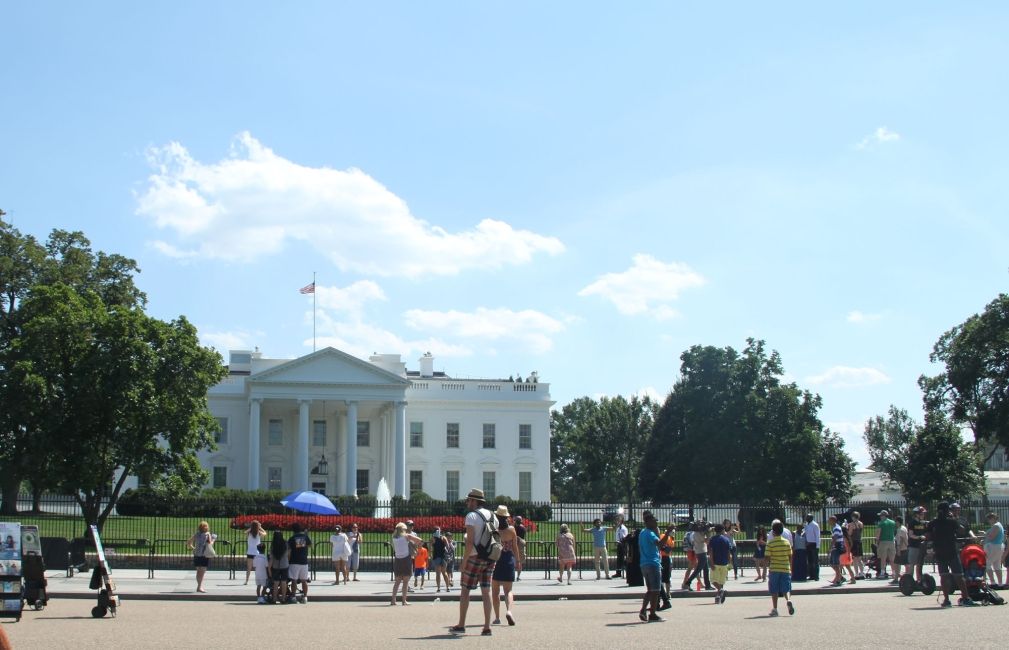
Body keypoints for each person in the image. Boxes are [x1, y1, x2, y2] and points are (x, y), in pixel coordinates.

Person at [451, 488, 497, 636]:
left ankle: (461, 624)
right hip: (489, 557)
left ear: (475, 501)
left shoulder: (471, 516)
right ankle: (487, 626)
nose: (467, 502)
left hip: (475, 557)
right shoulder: (493, 515)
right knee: (486, 590)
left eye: (469, 500)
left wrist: (464, 562)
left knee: (465, 590)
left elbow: (470, 542)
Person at [927, 501, 978, 607]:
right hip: (952, 551)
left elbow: (928, 536)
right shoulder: (951, 521)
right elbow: (962, 530)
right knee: (959, 576)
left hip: (940, 551)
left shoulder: (933, 523)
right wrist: (954, 519)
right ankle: (965, 598)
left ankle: (946, 600)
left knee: (944, 576)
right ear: (948, 511)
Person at [637, 512, 672, 622]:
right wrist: (668, 532)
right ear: (648, 522)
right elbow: (659, 544)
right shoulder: (650, 533)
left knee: (650, 590)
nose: (656, 523)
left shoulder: (642, 533)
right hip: (653, 563)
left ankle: (643, 610)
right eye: (654, 521)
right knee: (656, 590)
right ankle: (652, 614)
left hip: (644, 563)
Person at [491, 505, 522, 626]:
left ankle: (497, 617)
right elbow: (515, 547)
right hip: (509, 559)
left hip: (496, 560)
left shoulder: (494, 530)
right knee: (508, 590)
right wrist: (518, 561)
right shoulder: (512, 530)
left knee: (495, 591)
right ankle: (509, 611)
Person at [766, 520, 795, 617]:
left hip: (774, 568)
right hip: (785, 568)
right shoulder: (786, 542)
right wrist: (790, 567)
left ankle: (775, 609)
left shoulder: (770, 543)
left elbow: (767, 557)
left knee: (774, 590)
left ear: (773, 532)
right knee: (786, 588)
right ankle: (788, 600)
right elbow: (790, 556)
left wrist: (767, 568)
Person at [391, 522, 422, 605]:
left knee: (397, 582)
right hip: (406, 559)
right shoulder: (407, 536)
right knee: (405, 582)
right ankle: (404, 601)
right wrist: (415, 545)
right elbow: (419, 540)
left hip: (398, 560)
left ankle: (393, 600)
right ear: (403, 529)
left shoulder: (394, 537)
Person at [682, 521, 712, 590]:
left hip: (701, 551)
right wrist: (708, 534)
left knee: (706, 569)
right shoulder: (697, 534)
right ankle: (688, 582)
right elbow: (707, 541)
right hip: (701, 551)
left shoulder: (697, 533)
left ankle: (707, 585)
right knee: (698, 569)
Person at [187, 521, 215, 593]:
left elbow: (188, 542)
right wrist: (214, 539)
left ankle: (199, 586)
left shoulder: (197, 534)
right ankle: (199, 587)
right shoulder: (207, 534)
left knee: (198, 571)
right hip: (204, 555)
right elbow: (210, 544)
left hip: (196, 555)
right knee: (202, 572)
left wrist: (193, 548)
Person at [287, 523, 311, 604]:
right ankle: (305, 597)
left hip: (294, 561)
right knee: (304, 580)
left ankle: (293, 597)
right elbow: (310, 545)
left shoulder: (292, 538)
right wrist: (306, 535)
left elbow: (289, 551)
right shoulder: (305, 537)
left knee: (294, 580)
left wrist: (288, 560)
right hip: (304, 561)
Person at [709, 523, 732, 604]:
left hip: (715, 563)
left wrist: (711, 562)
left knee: (713, 580)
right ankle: (719, 596)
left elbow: (711, 552)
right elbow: (728, 553)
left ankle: (720, 591)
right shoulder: (726, 539)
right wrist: (730, 563)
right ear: (722, 530)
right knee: (721, 581)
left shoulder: (712, 539)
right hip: (724, 563)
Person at [907, 506, 929, 583]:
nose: (923, 515)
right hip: (914, 546)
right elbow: (910, 535)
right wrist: (919, 537)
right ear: (917, 514)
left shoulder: (924, 523)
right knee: (912, 563)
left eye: (923, 514)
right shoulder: (912, 523)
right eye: (922, 514)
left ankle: (919, 580)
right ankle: (910, 580)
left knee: (919, 564)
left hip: (921, 546)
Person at [983, 512, 1005, 587]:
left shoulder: (996, 526)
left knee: (988, 564)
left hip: (993, 546)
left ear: (994, 518)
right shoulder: (999, 525)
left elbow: (992, 537)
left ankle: (993, 582)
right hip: (998, 546)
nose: (989, 520)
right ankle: (1000, 583)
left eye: (990, 518)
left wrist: (985, 534)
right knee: (997, 565)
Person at [875, 510, 897, 581]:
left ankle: (882, 573)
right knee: (892, 559)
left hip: (883, 542)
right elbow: (895, 532)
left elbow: (878, 534)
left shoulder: (881, 523)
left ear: (883, 516)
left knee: (883, 558)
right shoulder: (893, 522)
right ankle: (894, 573)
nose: (880, 517)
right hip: (891, 541)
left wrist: (877, 542)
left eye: (881, 516)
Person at [269, 530, 289, 604]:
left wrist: (269, 567)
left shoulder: (273, 544)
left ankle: (274, 599)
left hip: (275, 565)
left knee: (276, 583)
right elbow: (287, 554)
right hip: (285, 564)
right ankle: (283, 598)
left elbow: (271, 556)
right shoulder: (286, 543)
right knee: (284, 582)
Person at [244, 520, 266, 586]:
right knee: (257, 568)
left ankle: (246, 581)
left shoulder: (249, 533)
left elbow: (245, 532)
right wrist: (260, 527)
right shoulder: (259, 533)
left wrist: (251, 527)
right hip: (257, 553)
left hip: (250, 552)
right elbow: (265, 533)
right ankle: (258, 581)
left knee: (249, 568)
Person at [826, 515, 846, 585]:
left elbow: (835, 539)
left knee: (836, 565)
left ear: (833, 521)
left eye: (829, 520)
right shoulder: (835, 527)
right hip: (835, 548)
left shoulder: (836, 528)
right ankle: (841, 577)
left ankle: (838, 581)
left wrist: (830, 548)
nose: (828, 521)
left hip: (837, 548)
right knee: (832, 564)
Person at [847, 511, 865, 579]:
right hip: (859, 541)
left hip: (853, 542)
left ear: (853, 517)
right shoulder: (861, 523)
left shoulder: (851, 524)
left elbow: (849, 534)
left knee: (854, 559)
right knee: (859, 559)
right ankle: (862, 573)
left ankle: (856, 574)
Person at [802, 514, 820, 581]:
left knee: (815, 561)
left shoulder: (815, 525)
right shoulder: (807, 525)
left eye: (808, 517)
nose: (806, 518)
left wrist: (817, 546)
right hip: (808, 544)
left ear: (811, 518)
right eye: (806, 517)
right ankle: (811, 575)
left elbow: (817, 536)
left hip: (814, 544)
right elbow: (804, 532)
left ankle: (816, 576)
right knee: (810, 561)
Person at [613, 514, 629, 579]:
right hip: (619, 544)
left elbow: (625, 537)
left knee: (623, 559)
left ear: (621, 521)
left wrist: (620, 542)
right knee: (619, 559)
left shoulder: (623, 528)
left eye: (618, 520)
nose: (616, 522)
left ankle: (627, 571)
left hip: (622, 545)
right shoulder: (618, 528)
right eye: (616, 520)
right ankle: (618, 573)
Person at [895, 515, 909, 580]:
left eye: (896, 521)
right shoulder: (904, 528)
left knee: (897, 564)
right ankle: (907, 575)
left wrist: (898, 549)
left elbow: (901, 540)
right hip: (905, 548)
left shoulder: (900, 529)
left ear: (898, 522)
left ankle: (896, 578)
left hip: (901, 549)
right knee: (905, 563)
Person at [513, 516, 527, 581]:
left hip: (514, 543)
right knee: (520, 561)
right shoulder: (523, 528)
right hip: (521, 544)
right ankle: (518, 576)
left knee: (512, 560)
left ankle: (512, 574)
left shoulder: (513, 528)